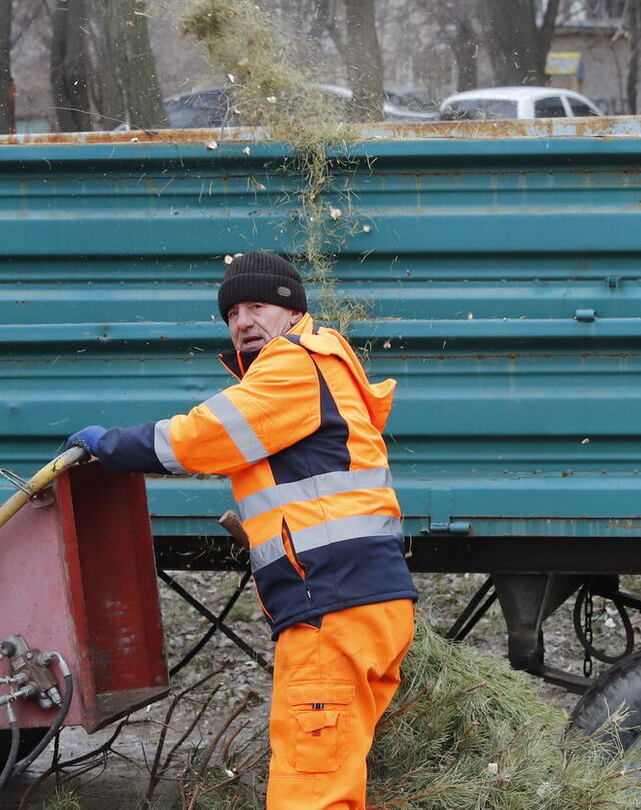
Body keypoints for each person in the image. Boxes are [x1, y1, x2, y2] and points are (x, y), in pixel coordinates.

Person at [63, 251, 416, 810]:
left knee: (310, 792)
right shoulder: (326, 364)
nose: (243, 322)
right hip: (368, 605)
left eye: (256, 307)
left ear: (292, 311)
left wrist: (110, 446)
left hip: (331, 606)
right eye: (231, 314)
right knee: (335, 782)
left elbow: (203, 437)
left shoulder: (293, 363)